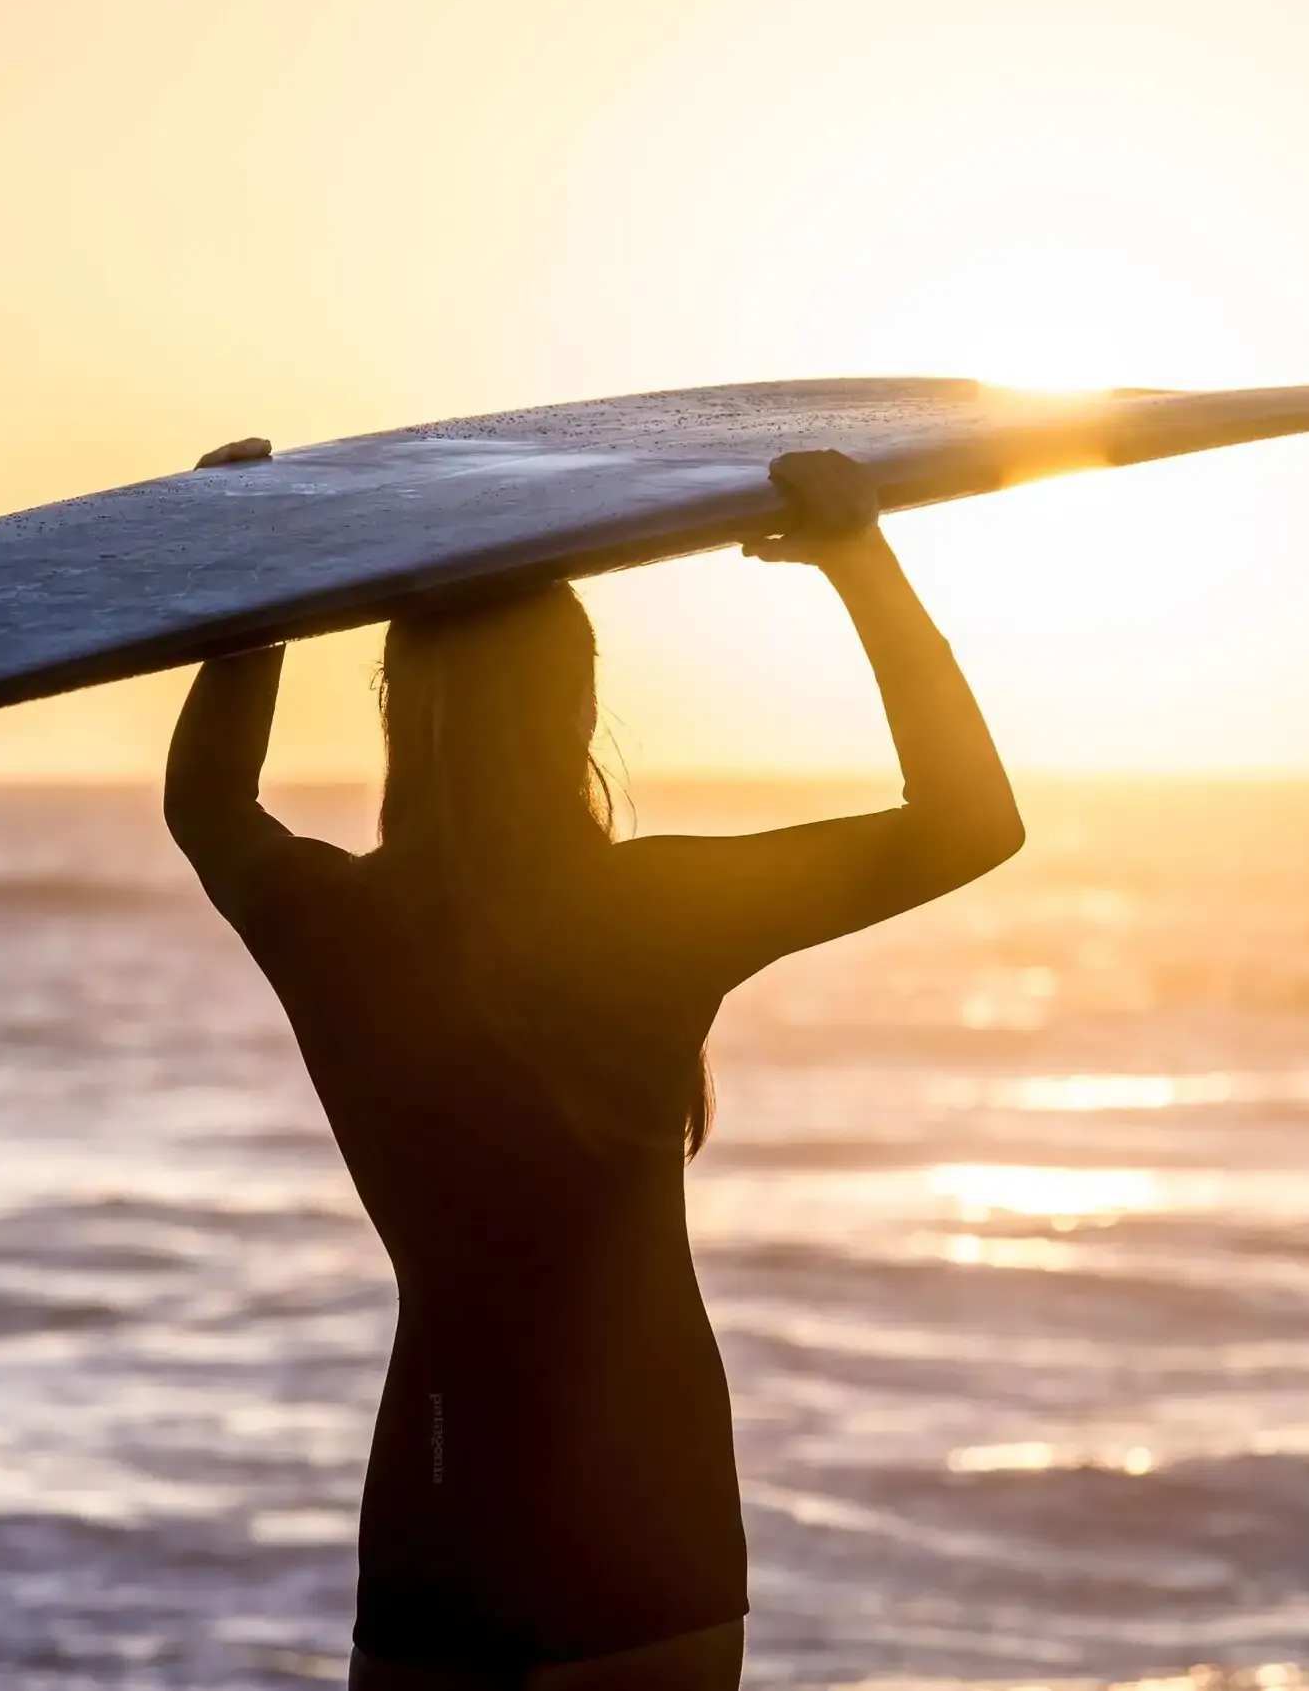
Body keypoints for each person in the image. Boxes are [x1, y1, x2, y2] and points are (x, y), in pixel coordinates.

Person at [164, 449, 1023, 1689]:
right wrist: (859, 562)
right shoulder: (655, 910)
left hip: (444, 1487)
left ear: (404, 713)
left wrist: (254, 578)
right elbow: (970, 820)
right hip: (649, 1494)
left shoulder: (331, 922)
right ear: (578, 707)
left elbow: (207, 803)